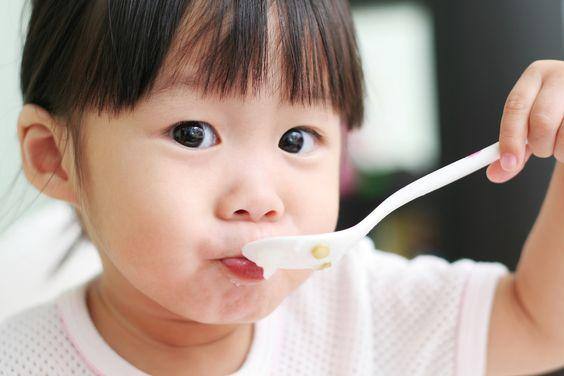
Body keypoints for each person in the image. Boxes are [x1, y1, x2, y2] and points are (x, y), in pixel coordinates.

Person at [1, 0, 563, 375]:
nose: (262, 198)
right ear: (57, 159)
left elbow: (541, 325)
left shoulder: (357, 305)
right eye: (193, 134)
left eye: (296, 139)